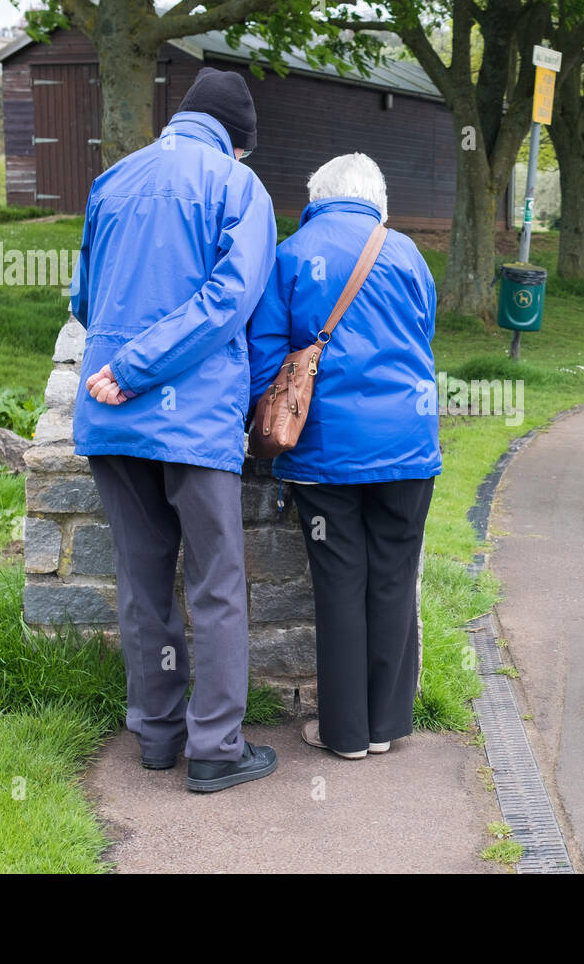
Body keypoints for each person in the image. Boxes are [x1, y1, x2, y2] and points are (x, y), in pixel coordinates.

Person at [71, 67, 279, 793]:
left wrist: (121, 366)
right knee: (217, 581)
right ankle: (216, 747)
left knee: (143, 580)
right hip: (190, 416)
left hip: (108, 415)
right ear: (237, 142)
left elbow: (84, 295)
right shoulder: (238, 187)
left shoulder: (113, 180)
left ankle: (156, 737)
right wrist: (141, 366)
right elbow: (232, 300)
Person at [248, 153, 441, 760]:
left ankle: (345, 735)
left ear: (318, 195)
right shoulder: (407, 252)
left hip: (327, 452)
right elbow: (425, 330)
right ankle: (387, 726)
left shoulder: (291, 253)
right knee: (392, 580)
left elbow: (264, 354)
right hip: (408, 449)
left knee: (338, 584)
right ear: (376, 198)